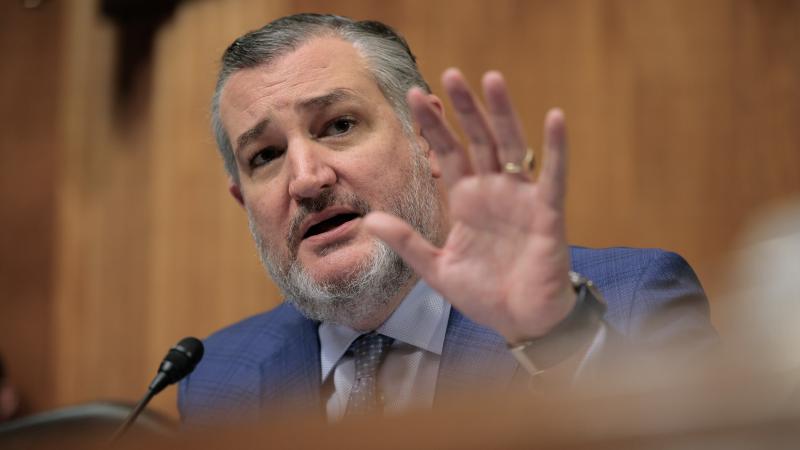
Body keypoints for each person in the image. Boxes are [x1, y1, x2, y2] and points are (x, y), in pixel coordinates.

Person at [178, 13, 716, 423]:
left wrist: (556, 339)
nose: (305, 179)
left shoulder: (632, 302)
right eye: (265, 156)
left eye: (339, 125)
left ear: (427, 138)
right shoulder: (215, 378)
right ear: (243, 201)